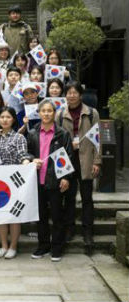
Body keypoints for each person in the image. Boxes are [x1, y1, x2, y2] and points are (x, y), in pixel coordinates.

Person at [56, 81, 101, 253]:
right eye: (69, 92)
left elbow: (97, 139)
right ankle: (69, 230)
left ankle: (88, 233)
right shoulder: (60, 114)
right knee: (68, 198)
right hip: (67, 161)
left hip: (86, 160)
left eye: (75, 92)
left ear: (80, 95)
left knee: (87, 198)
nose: (72, 95)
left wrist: (97, 161)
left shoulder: (91, 113)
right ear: (65, 95)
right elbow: (57, 140)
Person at [27, 99, 73, 262]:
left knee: (57, 215)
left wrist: (66, 177)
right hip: (37, 181)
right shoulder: (32, 133)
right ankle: (43, 246)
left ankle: (57, 248)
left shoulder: (62, 134)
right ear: (38, 113)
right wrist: (32, 160)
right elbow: (27, 153)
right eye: (43, 111)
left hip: (55, 180)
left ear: (54, 113)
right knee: (40, 216)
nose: (46, 113)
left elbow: (68, 156)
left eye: (49, 111)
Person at [0, 107, 32, 258]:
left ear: (13, 119)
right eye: (2, 117)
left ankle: (13, 246)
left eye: (8, 117)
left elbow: (22, 155)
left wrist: (26, 162)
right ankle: (3, 245)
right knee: (0, 214)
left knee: (14, 215)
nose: (5, 120)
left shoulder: (19, 138)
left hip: (14, 181)